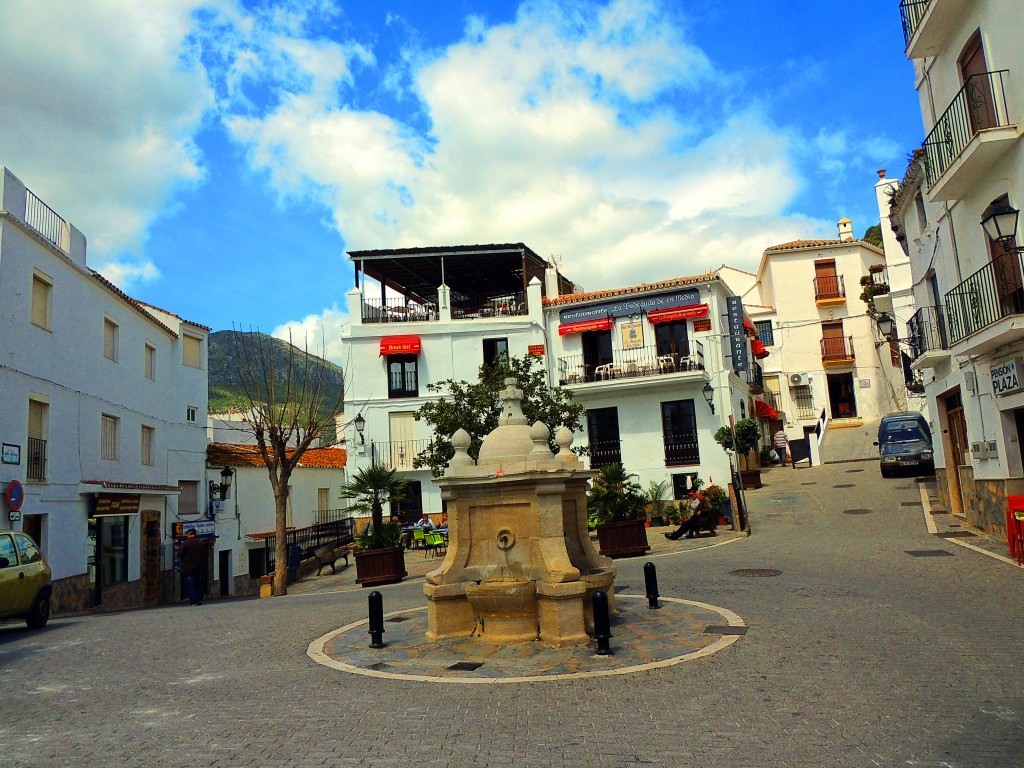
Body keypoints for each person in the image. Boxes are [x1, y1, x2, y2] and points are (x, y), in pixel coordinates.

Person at [179, 528, 208, 606]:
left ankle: (193, 601)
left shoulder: (184, 544)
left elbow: (180, 555)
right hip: (200, 567)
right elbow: (205, 554)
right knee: (199, 584)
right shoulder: (201, 543)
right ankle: (199, 600)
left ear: (188, 534)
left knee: (191, 585)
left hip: (188, 568)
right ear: (195, 534)